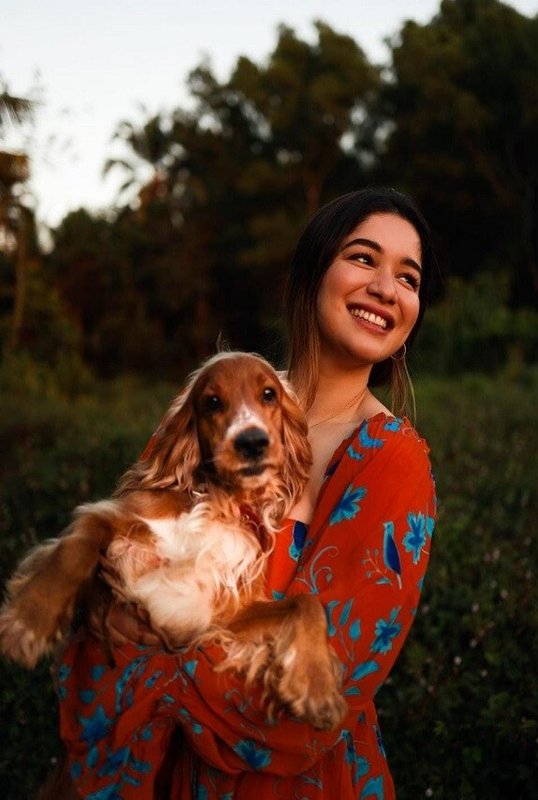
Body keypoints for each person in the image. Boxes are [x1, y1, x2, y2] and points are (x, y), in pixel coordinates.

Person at [55, 187, 437, 799]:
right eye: (364, 258)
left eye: (408, 277)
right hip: (156, 774)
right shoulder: (207, 405)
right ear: (314, 270)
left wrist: (159, 643)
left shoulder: (391, 459)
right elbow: (99, 606)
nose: (387, 289)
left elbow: (319, 694)